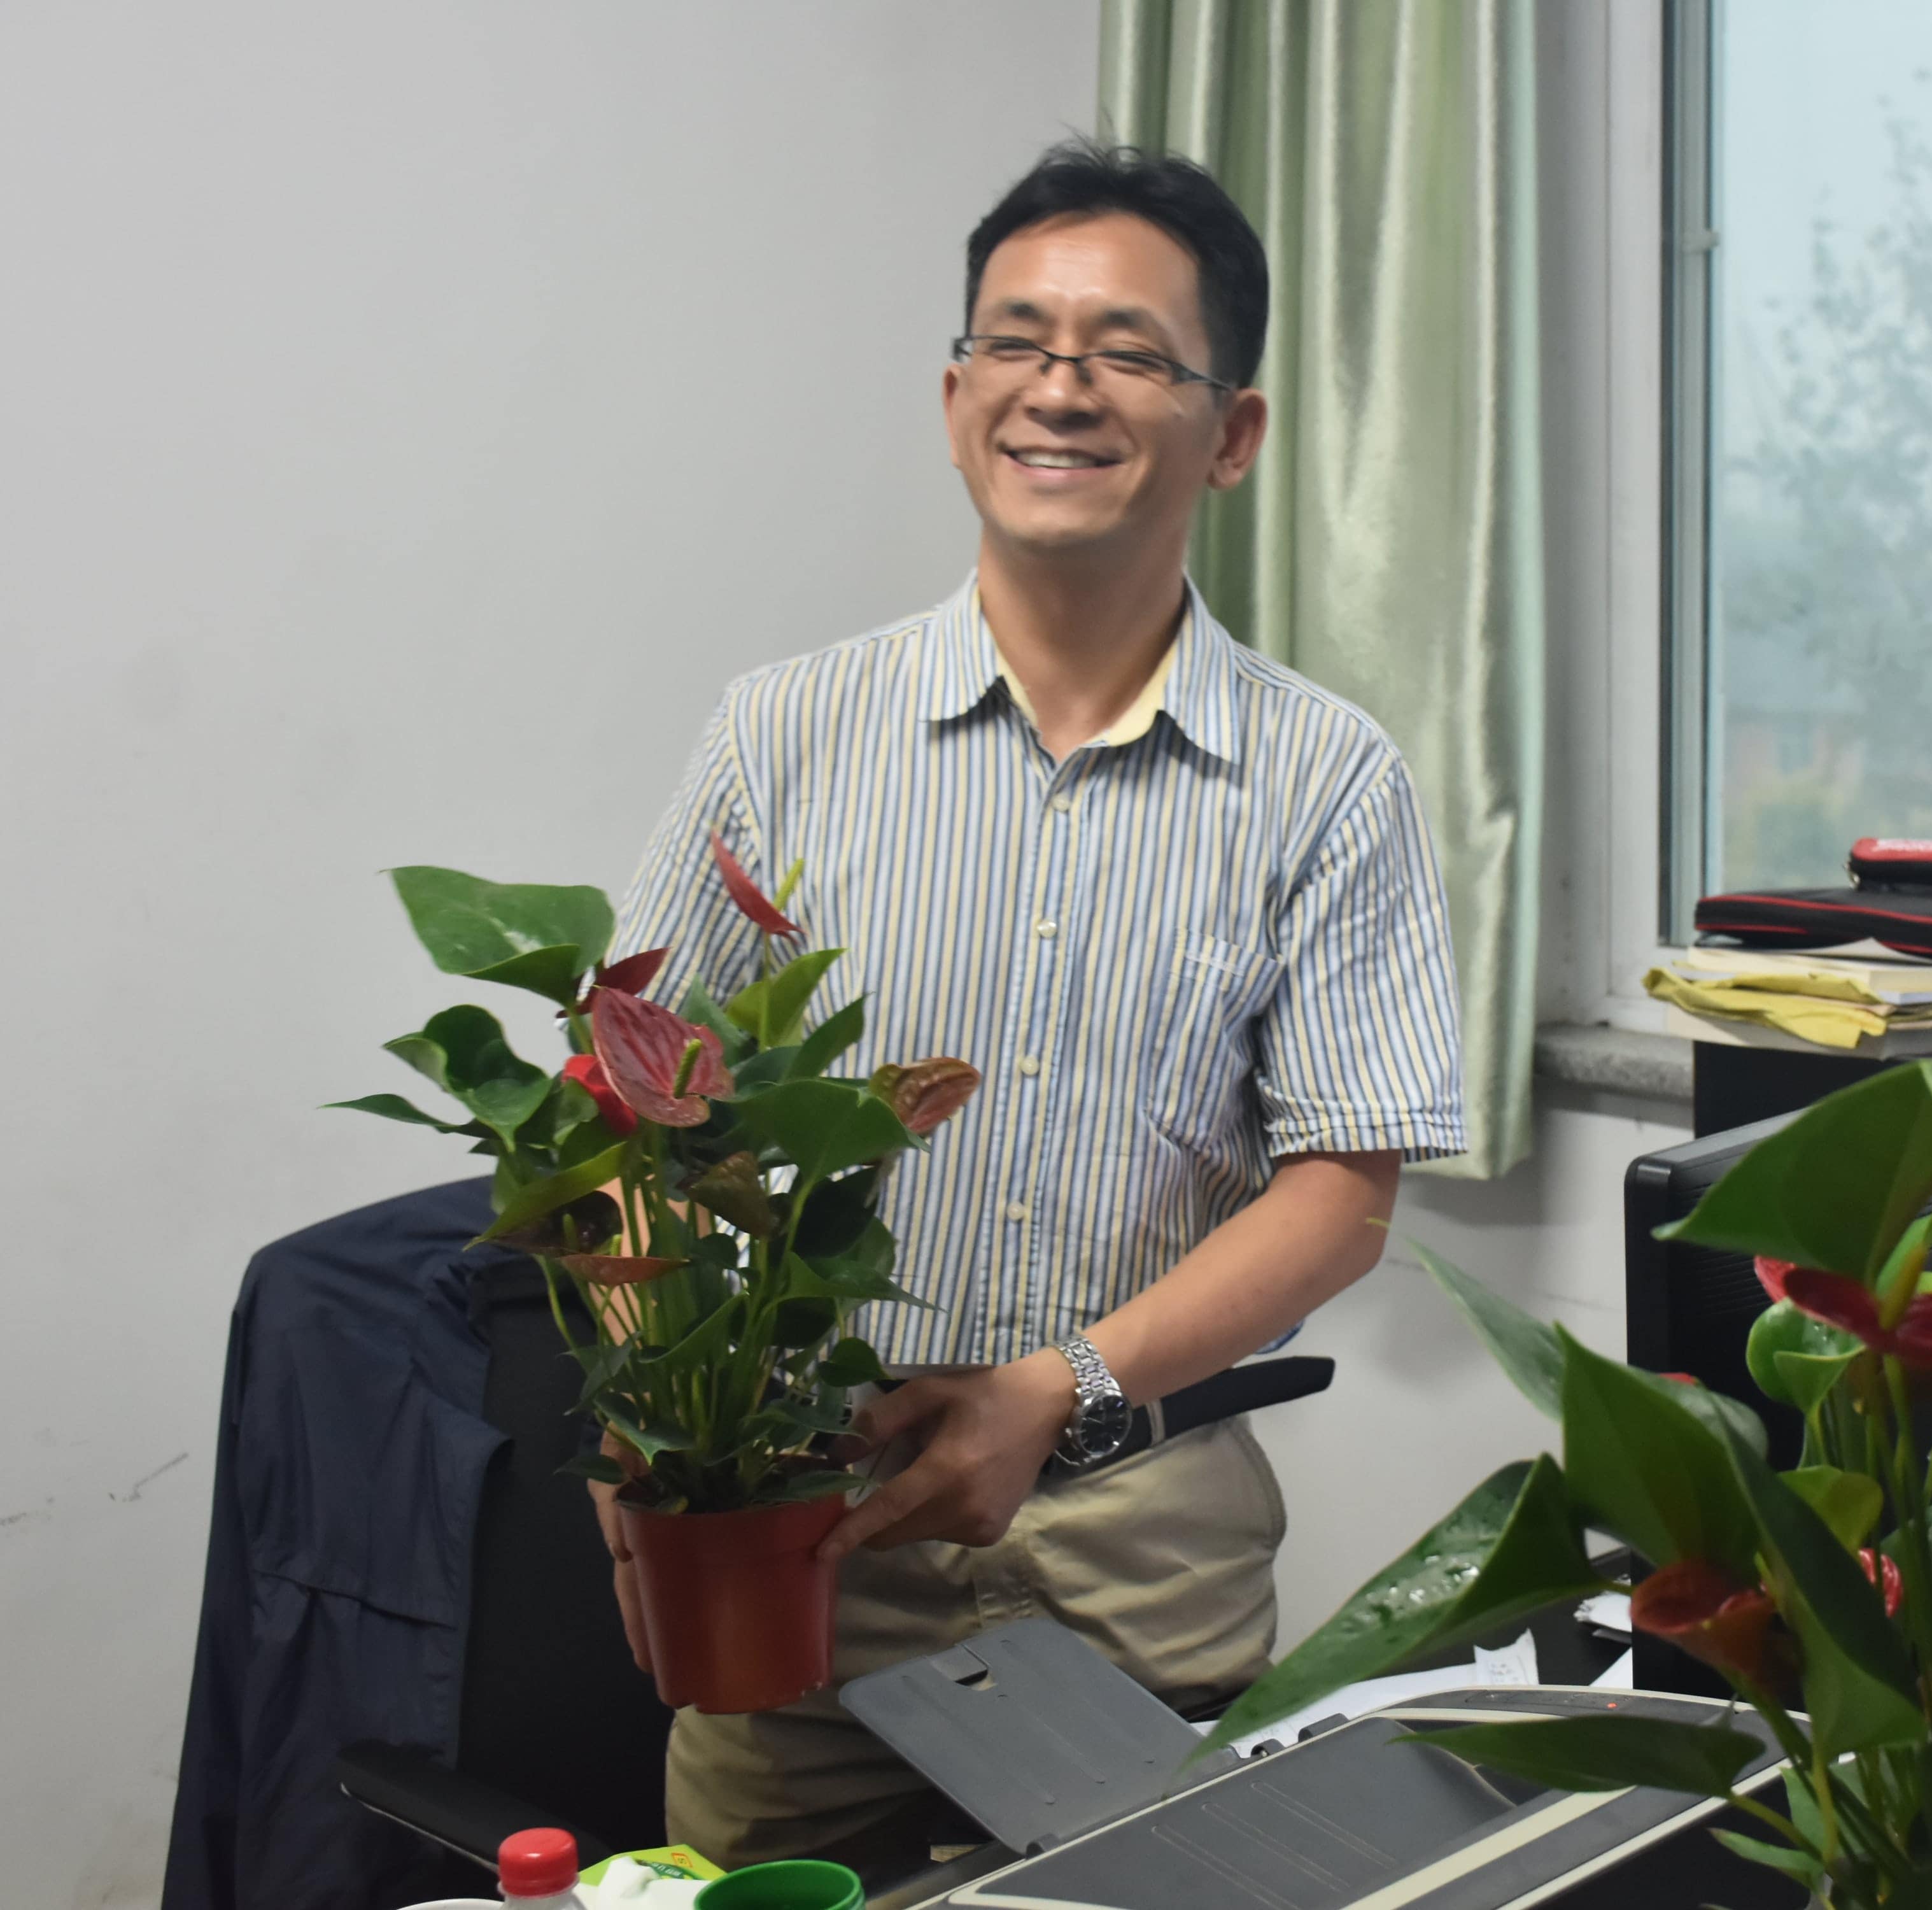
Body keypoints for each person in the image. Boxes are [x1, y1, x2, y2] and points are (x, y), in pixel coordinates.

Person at [593, 138, 1468, 1872]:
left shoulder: (1327, 778)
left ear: (1233, 433)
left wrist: (1053, 1391)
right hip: (804, 1554)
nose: (1060, 387)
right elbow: (631, 1115)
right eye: (1017, 340)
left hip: (1144, 1569)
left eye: (1129, 352)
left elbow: (1341, 1194)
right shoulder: (782, 737)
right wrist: (647, 1449)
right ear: (956, 400)